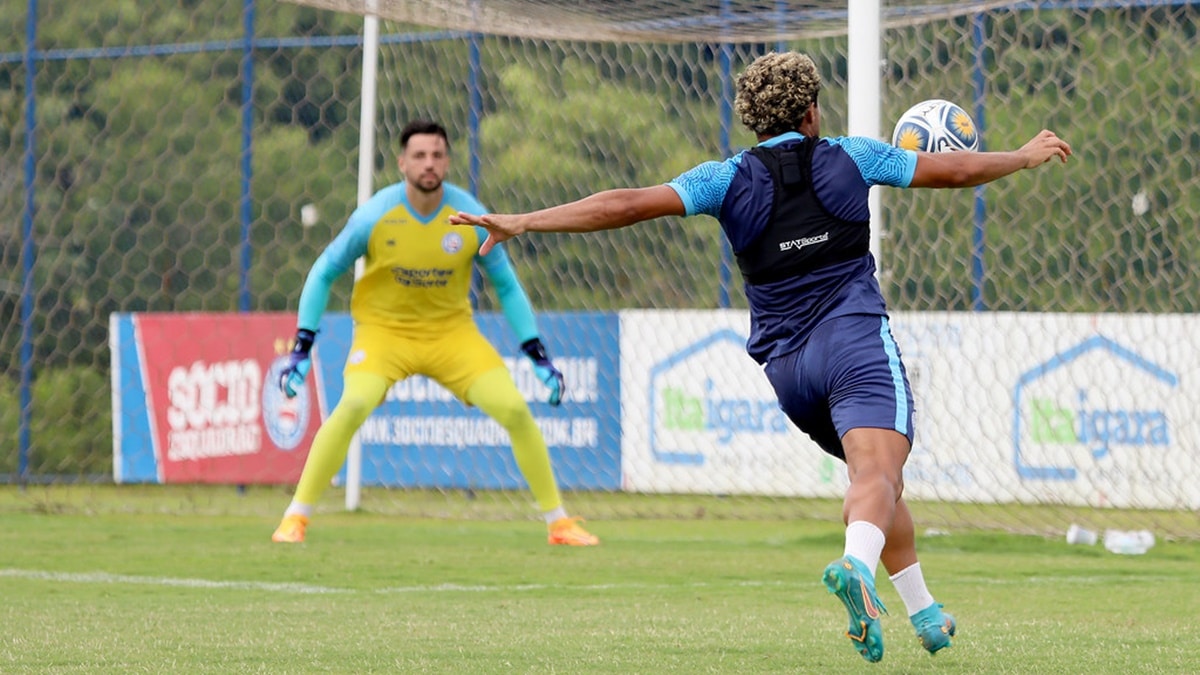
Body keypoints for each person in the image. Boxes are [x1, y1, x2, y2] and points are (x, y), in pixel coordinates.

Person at [450, 52, 1071, 661]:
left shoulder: (723, 179)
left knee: (873, 482)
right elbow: (955, 172)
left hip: (789, 371)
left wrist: (527, 220)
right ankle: (856, 568)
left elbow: (626, 204)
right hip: (852, 341)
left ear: (753, 119)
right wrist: (1021, 156)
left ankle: (926, 614)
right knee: (879, 475)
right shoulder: (854, 156)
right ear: (810, 112)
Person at [271, 119, 599, 547]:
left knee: (516, 412)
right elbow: (323, 273)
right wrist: (301, 348)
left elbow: (506, 285)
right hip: (383, 335)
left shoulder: (468, 215)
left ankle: (559, 524)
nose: (430, 163)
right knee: (352, 405)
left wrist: (537, 356)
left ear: (448, 161)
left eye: (438, 155)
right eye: (420, 156)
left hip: (452, 337)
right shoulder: (374, 216)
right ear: (402, 163)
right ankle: (295, 518)